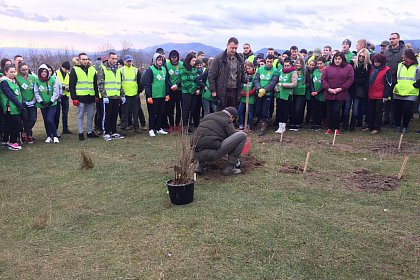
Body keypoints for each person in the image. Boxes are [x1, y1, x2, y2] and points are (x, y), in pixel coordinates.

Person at [193, 107, 246, 176]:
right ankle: (230, 168)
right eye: (233, 120)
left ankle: (200, 166)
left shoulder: (208, 116)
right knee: (242, 135)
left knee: (204, 137)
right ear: (231, 116)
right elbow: (233, 139)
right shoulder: (227, 120)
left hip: (195, 153)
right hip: (211, 155)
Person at [321, 52, 354, 135]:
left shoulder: (348, 67)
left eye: (339, 59)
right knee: (329, 110)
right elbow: (323, 79)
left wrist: (341, 88)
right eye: (336, 59)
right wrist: (328, 88)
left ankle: (336, 128)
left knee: (336, 110)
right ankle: (329, 127)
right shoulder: (328, 67)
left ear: (342, 59)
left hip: (341, 93)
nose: (337, 60)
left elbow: (350, 80)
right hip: (329, 92)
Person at [208, 37, 244, 109]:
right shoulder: (219, 59)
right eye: (232, 48)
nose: (234, 50)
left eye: (236, 48)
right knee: (221, 115)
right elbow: (211, 75)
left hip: (235, 91)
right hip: (222, 91)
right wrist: (213, 91)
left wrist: (244, 80)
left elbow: (241, 74)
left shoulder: (239, 60)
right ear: (227, 45)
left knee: (232, 114)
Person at [70, 53, 99, 141]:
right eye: (83, 59)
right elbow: (72, 85)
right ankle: (81, 132)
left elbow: (95, 83)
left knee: (90, 115)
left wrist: (96, 95)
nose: (85, 61)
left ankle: (90, 132)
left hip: (91, 96)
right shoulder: (75, 70)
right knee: (80, 115)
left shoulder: (92, 69)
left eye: (86, 59)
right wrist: (74, 98)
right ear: (79, 60)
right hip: (80, 97)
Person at [97, 52, 125, 141]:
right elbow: (100, 83)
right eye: (113, 58)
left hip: (116, 96)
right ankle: (106, 132)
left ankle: (113, 132)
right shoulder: (103, 68)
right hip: (107, 97)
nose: (114, 60)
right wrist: (104, 95)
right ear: (108, 59)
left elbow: (119, 83)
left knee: (114, 115)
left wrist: (122, 95)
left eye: (116, 59)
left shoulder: (117, 69)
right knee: (107, 115)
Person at [343, 48, 371, 131]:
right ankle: (345, 125)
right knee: (347, 107)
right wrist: (352, 81)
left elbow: (365, 79)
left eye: (363, 57)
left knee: (355, 108)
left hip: (359, 90)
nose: (361, 58)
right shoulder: (352, 63)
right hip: (350, 88)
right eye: (360, 56)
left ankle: (352, 125)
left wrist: (354, 81)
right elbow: (349, 76)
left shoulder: (368, 66)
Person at [392, 48, 419, 133]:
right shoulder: (400, 65)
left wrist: (417, 84)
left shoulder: (417, 66)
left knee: (406, 110)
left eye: (404, 55)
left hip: (411, 91)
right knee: (397, 110)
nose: (402, 56)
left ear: (408, 56)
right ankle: (397, 126)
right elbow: (395, 75)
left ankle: (405, 127)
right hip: (398, 91)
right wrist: (395, 83)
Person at [143, 53, 170, 137]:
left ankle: (158, 128)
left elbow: (166, 82)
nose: (160, 61)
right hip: (153, 96)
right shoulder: (150, 70)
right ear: (155, 60)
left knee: (160, 113)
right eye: (158, 60)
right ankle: (151, 129)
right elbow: (147, 84)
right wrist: (149, 96)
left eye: (161, 60)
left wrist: (167, 93)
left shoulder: (164, 69)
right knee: (152, 113)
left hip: (162, 95)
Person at [364, 54, 392, 133]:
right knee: (370, 111)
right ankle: (370, 126)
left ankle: (376, 128)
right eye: (375, 62)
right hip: (371, 94)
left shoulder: (387, 70)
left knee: (378, 112)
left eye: (378, 62)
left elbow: (389, 83)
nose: (376, 63)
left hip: (380, 95)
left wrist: (385, 96)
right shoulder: (372, 69)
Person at [34, 64, 60, 143]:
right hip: (43, 104)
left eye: (45, 71)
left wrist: (51, 101)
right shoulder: (37, 81)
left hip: (52, 104)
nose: (43, 73)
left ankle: (55, 136)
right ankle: (48, 135)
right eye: (42, 72)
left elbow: (56, 92)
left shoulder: (53, 79)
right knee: (46, 120)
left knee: (50, 119)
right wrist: (41, 101)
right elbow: (36, 92)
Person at [254, 54, 279, 136]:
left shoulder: (275, 71)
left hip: (268, 94)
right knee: (258, 110)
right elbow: (256, 80)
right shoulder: (260, 69)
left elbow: (273, 82)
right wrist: (259, 88)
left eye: (271, 62)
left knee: (265, 111)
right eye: (267, 61)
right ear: (265, 61)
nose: (269, 63)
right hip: (259, 93)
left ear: (273, 62)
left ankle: (264, 125)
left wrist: (265, 90)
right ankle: (259, 123)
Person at [117, 55, 143, 134]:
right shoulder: (120, 70)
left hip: (134, 95)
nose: (129, 62)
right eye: (128, 61)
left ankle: (136, 128)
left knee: (136, 112)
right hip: (125, 95)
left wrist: (138, 92)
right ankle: (123, 128)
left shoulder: (136, 70)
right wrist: (121, 94)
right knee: (124, 113)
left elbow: (140, 82)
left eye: (130, 61)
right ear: (124, 61)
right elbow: (118, 83)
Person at [384, 32, 405, 126]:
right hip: (387, 79)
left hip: (399, 80)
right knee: (386, 99)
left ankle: (394, 120)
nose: (391, 40)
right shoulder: (387, 51)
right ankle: (385, 119)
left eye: (393, 38)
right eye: (390, 39)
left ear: (398, 39)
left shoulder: (404, 51)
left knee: (395, 101)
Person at [0, 65, 23, 150]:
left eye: (14, 72)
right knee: (18, 125)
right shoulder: (4, 82)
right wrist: (19, 105)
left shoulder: (13, 81)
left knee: (9, 125)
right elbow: (10, 95)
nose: (13, 74)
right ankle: (12, 142)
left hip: (15, 106)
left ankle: (5, 140)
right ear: (6, 72)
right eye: (11, 72)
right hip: (10, 107)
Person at [15, 62, 37, 143]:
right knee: (26, 119)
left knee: (33, 119)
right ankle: (29, 135)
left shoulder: (32, 77)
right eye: (23, 70)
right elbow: (18, 91)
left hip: (32, 102)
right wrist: (23, 101)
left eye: (26, 69)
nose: (25, 71)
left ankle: (24, 133)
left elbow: (35, 89)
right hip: (23, 102)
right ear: (20, 70)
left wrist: (34, 100)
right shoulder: (17, 78)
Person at [274, 58, 297, 134]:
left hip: (287, 94)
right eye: (285, 65)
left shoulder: (293, 72)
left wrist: (283, 85)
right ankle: (279, 126)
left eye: (288, 65)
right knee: (279, 110)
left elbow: (294, 84)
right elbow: (277, 81)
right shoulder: (281, 72)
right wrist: (276, 87)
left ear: (291, 65)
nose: (286, 67)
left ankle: (283, 126)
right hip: (280, 94)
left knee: (285, 110)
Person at [180, 53, 200, 133]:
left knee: (193, 109)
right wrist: (193, 90)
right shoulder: (183, 69)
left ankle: (190, 125)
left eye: (195, 61)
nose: (194, 62)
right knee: (186, 110)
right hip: (186, 93)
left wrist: (198, 88)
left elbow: (197, 80)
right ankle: (184, 127)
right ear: (189, 60)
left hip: (194, 93)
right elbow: (185, 82)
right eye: (193, 61)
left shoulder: (194, 69)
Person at [165, 49, 183, 132]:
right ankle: (171, 125)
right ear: (170, 57)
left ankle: (177, 124)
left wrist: (177, 85)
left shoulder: (181, 64)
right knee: (170, 108)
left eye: (175, 57)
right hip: (170, 89)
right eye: (172, 57)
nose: (174, 59)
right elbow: (166, 77)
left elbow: (182, 77)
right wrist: (171, 86)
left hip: (179, 89)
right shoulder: (166, 65)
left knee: (179, 108)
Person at [289, 56, 308, 131]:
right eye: (297, 63)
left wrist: (304, 86)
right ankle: (292, 123)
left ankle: (298, 123)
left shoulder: (305, 72)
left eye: (300, 63)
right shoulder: (292, 71)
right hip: (293, 92)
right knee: (292, 108)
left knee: (298, 109)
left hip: (301, 93)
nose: (298, 64)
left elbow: (309, 82)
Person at [310, 57, 327, 131]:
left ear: (324, 63)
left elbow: (325, 84)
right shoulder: (315, 71)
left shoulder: (326, 71)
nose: (319, 65)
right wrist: (313, 90)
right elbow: (312, 82)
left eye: (321, 63)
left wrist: (318, 92)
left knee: (321, 109)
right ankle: (314, 123)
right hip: (314, 93)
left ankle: (319, 124)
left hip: (322, 94)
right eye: (318, 64)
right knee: (314, 109)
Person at [238, 61, 256, 131]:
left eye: (249, 68)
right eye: (246, 68)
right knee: (240, 110)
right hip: (243, 96)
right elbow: (241, 84)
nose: (248, 70)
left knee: (249, 112)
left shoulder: (255, 76)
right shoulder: (244, 75)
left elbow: (255, 86)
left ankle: (249, 125)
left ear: (252, 68)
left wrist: (250, 92)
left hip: (250, 97)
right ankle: (241, 125)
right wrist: (242, 92)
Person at [55, 61, 72, 134]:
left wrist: (69, 88)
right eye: (66, 69)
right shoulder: (56, 73)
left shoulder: (68, 74)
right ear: (62, 67)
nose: (67, 70)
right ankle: (55, 129)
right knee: (57, 114)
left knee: (65, 113)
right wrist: (63, 87)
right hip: (58, 96)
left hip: (66, 96)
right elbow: (54, 84)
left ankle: (65, 128)